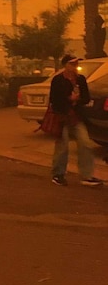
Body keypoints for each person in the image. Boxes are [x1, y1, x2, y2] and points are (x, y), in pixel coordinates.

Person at [49, 54, 103, 186]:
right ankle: (58, 174)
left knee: (85, 143)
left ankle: (87, 175)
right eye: (72, 63)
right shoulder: (58, 80)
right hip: (62, 116)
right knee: (63, 146)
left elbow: (86, 98)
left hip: (77, 116)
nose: (75, 66)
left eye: (76, 63)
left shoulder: (81, 79)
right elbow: (54, 100)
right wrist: (69, 99)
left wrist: (78, 99)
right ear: (65, 65)